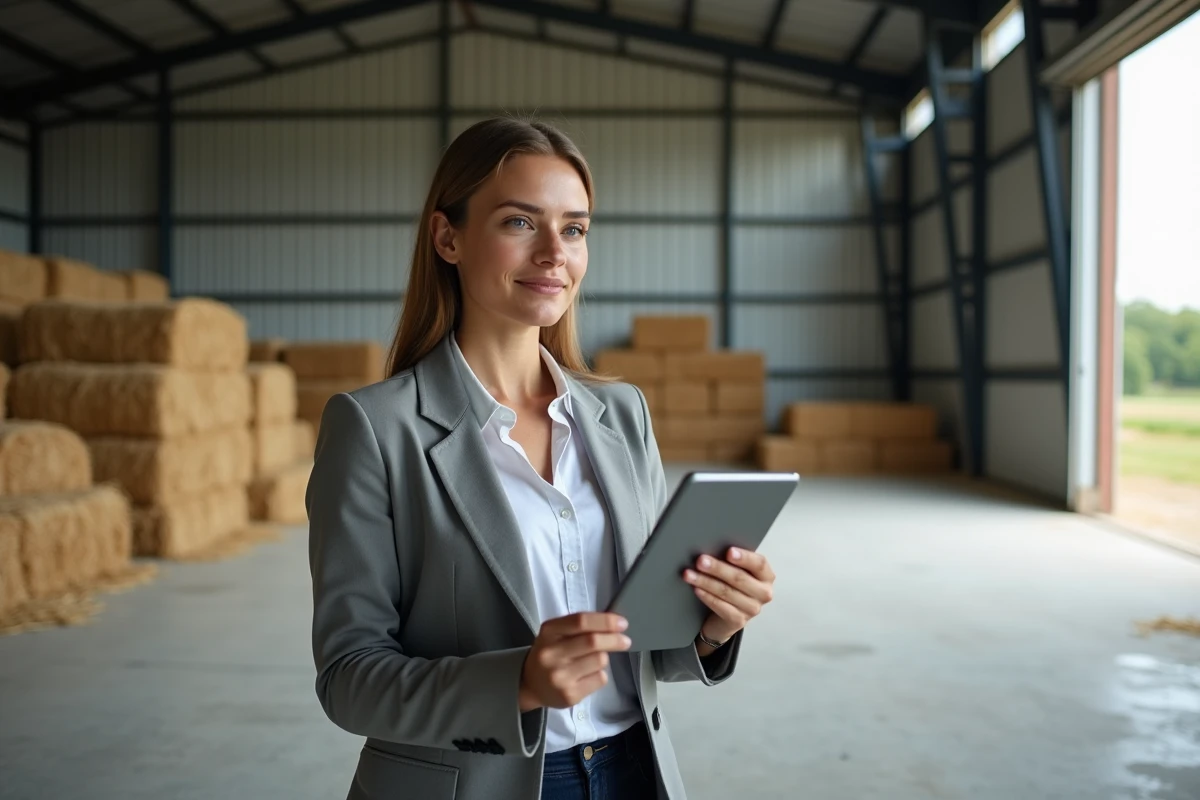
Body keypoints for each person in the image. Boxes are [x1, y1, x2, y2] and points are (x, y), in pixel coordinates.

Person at [306, 117, 778, 800]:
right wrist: (518, 683)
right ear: (447, 238)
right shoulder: (375, 429)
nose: (555, 253)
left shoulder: (622, 415)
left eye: (575, 228)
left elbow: (648, 651)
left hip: (634, 773)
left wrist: (713, 626)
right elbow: (348, 679)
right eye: (520, 223)